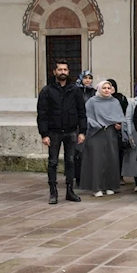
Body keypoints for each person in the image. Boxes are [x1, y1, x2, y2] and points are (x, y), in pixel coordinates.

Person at [37, 59, 87, 204]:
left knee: (70, 161)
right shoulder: (47, 91)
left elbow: (82, 112)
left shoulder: (75, 90)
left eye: (65, 70)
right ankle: (53, 192)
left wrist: (82, 131)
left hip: (71, 131)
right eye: (60, 70)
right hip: (53, 132)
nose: (62, 72)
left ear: (68, 72)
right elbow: (42, 114)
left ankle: (70, 191)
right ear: (54, 72)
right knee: (53, 162)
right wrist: (44, 134)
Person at [80, 80, 126, 197]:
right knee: (97, 161)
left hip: (111, 133)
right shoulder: (92, 102)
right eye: (104, 88)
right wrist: (97, 124)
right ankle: (97, 187)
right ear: (99, 89)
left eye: (108, 88)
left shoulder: (115, 101)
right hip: (96, 133)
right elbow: (87, 117)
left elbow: (119, 117)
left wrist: (118, 124)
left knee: (111, 159)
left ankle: (110, 185)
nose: (106, 90)